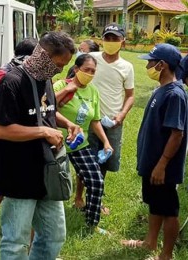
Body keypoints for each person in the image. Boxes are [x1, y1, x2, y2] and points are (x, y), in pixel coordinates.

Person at [0, 31, 80, 259]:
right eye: (58, 64)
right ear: (44, 56)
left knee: (53, 236)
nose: (60, 70)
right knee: (16, 242)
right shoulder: (12, 82)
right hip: (18, 175)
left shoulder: (45, 80)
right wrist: (44, 131)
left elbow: (45, 112)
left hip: (46, 174)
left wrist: (67, 124)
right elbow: (2, 130)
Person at [121, 43, 187, 260]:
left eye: (150, 61)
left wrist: (162, 164)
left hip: (163, 166)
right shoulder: (161, 89)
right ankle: (149, 242)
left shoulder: (175, 94)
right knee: (155, 203)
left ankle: (165, 255)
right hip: (152, 162)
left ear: (162, 65)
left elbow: (176, 134)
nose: (148, 65)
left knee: (169, 209)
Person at [0, 38, 38, 241]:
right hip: (7, 136)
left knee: (2, 182)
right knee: (2, 183)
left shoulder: (6, 72)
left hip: (8, 135)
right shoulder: (10, 78)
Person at [53, 54, 113, 234]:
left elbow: (95, 120)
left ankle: (92, 223)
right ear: (77, 69)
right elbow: (48, 108)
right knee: (53, 185)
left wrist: (106, 142)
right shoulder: (61, 85)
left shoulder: (93, 91)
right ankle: (49, 223)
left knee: (96, 181)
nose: (90, 74)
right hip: (57, 142)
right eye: (87, 70)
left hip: (79, 144)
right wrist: (67, 89)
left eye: (93, 71)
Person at [86, 23, 135, 214]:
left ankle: (96, 199)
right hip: (90, 119)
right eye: (107, 38)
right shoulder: (92, 59)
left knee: (104, 162)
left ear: (122, 42)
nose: (111, 42)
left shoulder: (127, 67)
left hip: (113, 122)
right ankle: (80, 198)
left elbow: (130, 95)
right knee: (86, 159)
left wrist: (121, 115)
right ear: (102, 40)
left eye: (115, 38)